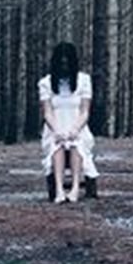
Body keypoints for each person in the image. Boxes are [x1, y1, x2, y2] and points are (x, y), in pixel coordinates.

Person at [38, 42, 99, 203]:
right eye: (61, 63)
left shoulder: (84, 80)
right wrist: (57, 130)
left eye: (67, 63)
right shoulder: (46, 83)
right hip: (54, 128)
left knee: (75, 145)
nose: (64, 67)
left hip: (78, 127)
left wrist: (75, 129)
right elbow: (48, 112)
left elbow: (85, 111)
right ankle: (59, 189)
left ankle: (75, 188)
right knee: (57, 145)